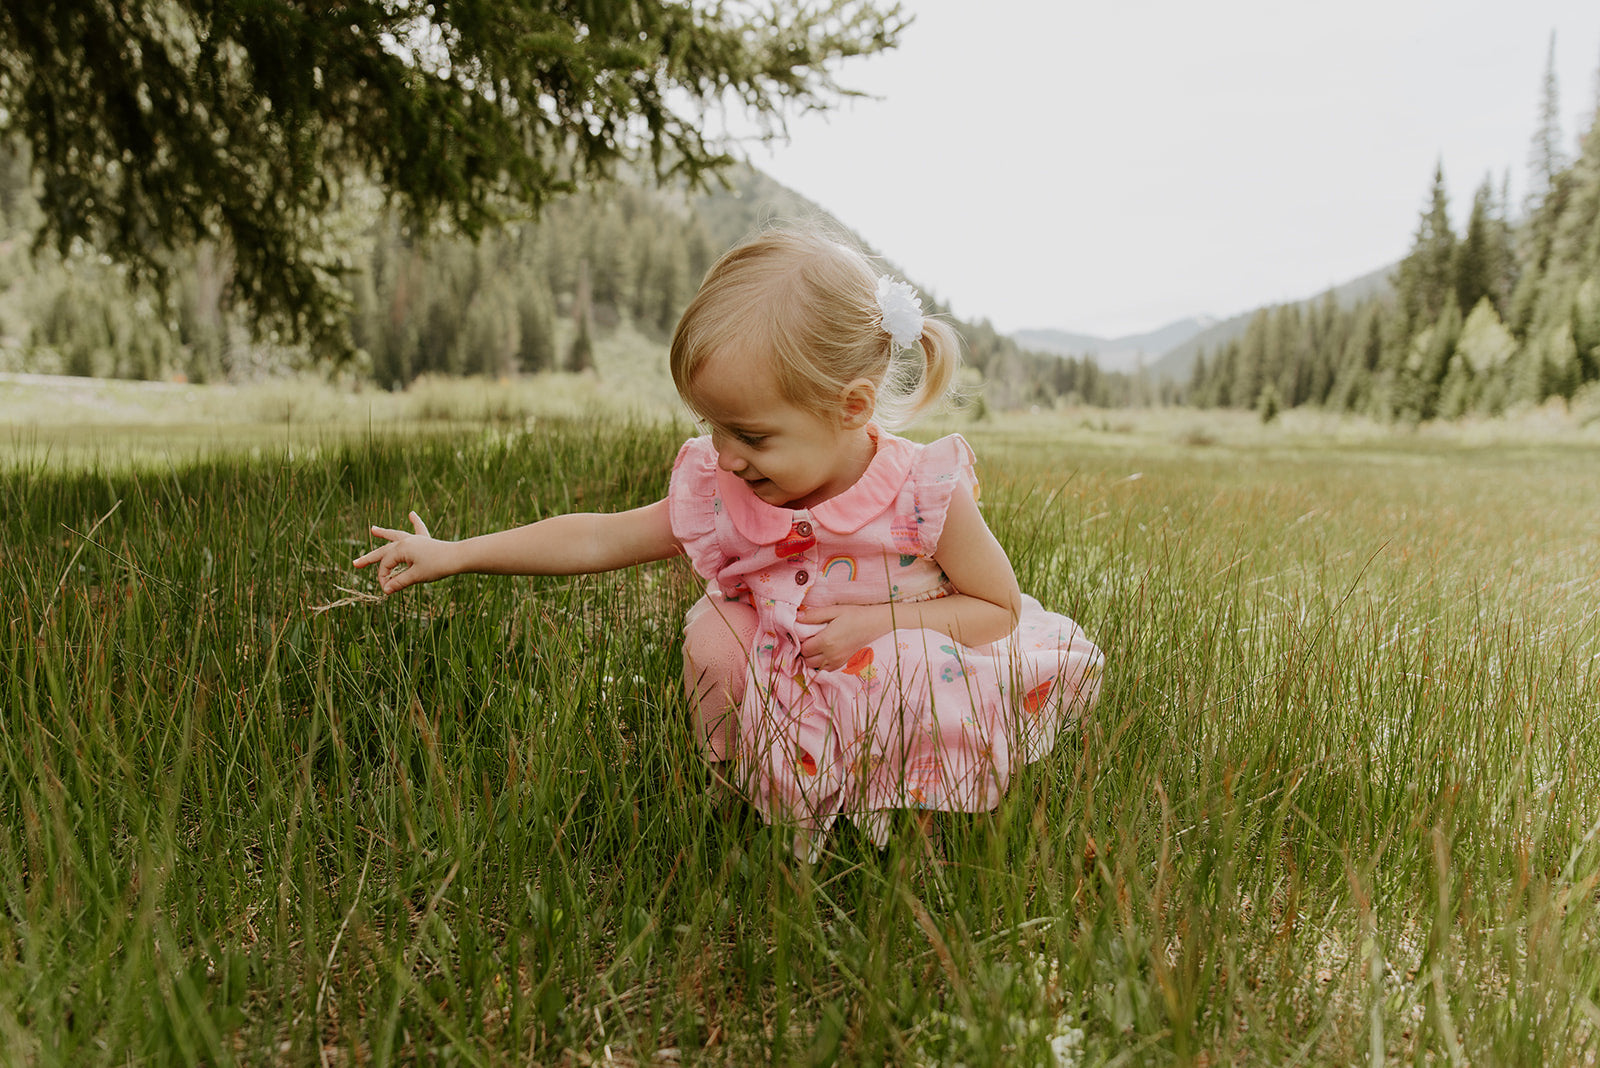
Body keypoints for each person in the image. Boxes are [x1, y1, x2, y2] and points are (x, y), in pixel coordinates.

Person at [356, 228, 1104, 860]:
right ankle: (735, 793)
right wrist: (457, 552)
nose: (726, 454)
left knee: (912, 671)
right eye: (713, 425)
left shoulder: (922, 492)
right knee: (715, 640)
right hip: (780, 655)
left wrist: (879, 626)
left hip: (906, 651)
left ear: (850, 407)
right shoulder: (725, 487)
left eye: (750, 434)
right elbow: (596, 537)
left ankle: (915, 822)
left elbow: (996, 608)